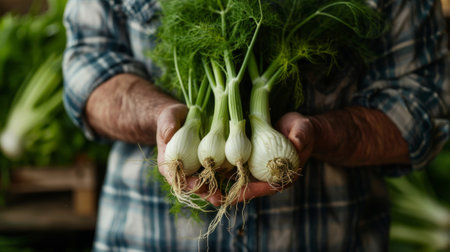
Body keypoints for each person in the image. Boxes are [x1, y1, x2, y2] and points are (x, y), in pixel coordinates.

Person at [62, 0, 449, 251]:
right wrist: (168, 121)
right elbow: (87, 65)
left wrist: (321, 134)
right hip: (144, 239)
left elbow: (425, 104)